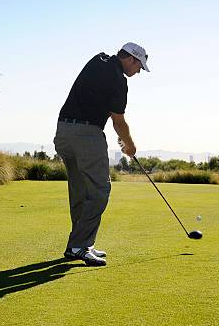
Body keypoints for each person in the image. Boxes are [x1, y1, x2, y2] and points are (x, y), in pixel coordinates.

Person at [54, 42, 149, 266]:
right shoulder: (119, 81)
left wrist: (118, 135)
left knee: (79, 190)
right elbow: (118, 121)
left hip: (63, 132)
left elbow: (96, 99)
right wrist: (130, 145)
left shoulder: (98, 60)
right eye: (139, 67)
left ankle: (76, 245)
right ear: (131, 59)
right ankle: (80, 245)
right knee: (99, 190)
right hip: (87, 135)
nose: (138, 72)